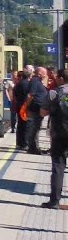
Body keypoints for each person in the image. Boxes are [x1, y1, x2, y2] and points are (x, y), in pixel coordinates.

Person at [38, 69, 68, 209]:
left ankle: (55, 201)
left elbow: (43, 112)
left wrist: (52, 110)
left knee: (58, 166)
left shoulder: (53, 93)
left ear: (62, 79)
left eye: (57, 77)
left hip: (59, 133)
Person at [27, 67, 49, 155]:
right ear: (39, 73)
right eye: (45, 73)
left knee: (36, 128)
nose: (46, 75)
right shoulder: (35, 81)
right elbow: (30, 95)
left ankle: (35, 147)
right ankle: (33, 148)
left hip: (37, 108)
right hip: (35, 108)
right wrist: (27, 105)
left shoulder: (37, 81)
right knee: (34, 129)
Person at [11, 70, 29, 148]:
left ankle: (19, 143)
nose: (17, 78)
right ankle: (24, 143)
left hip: (19, 105)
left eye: (18, 76)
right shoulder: (27, 84)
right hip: (25, 107)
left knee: (20, 125)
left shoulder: (17, 85)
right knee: (25, 125)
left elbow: (14, 96)